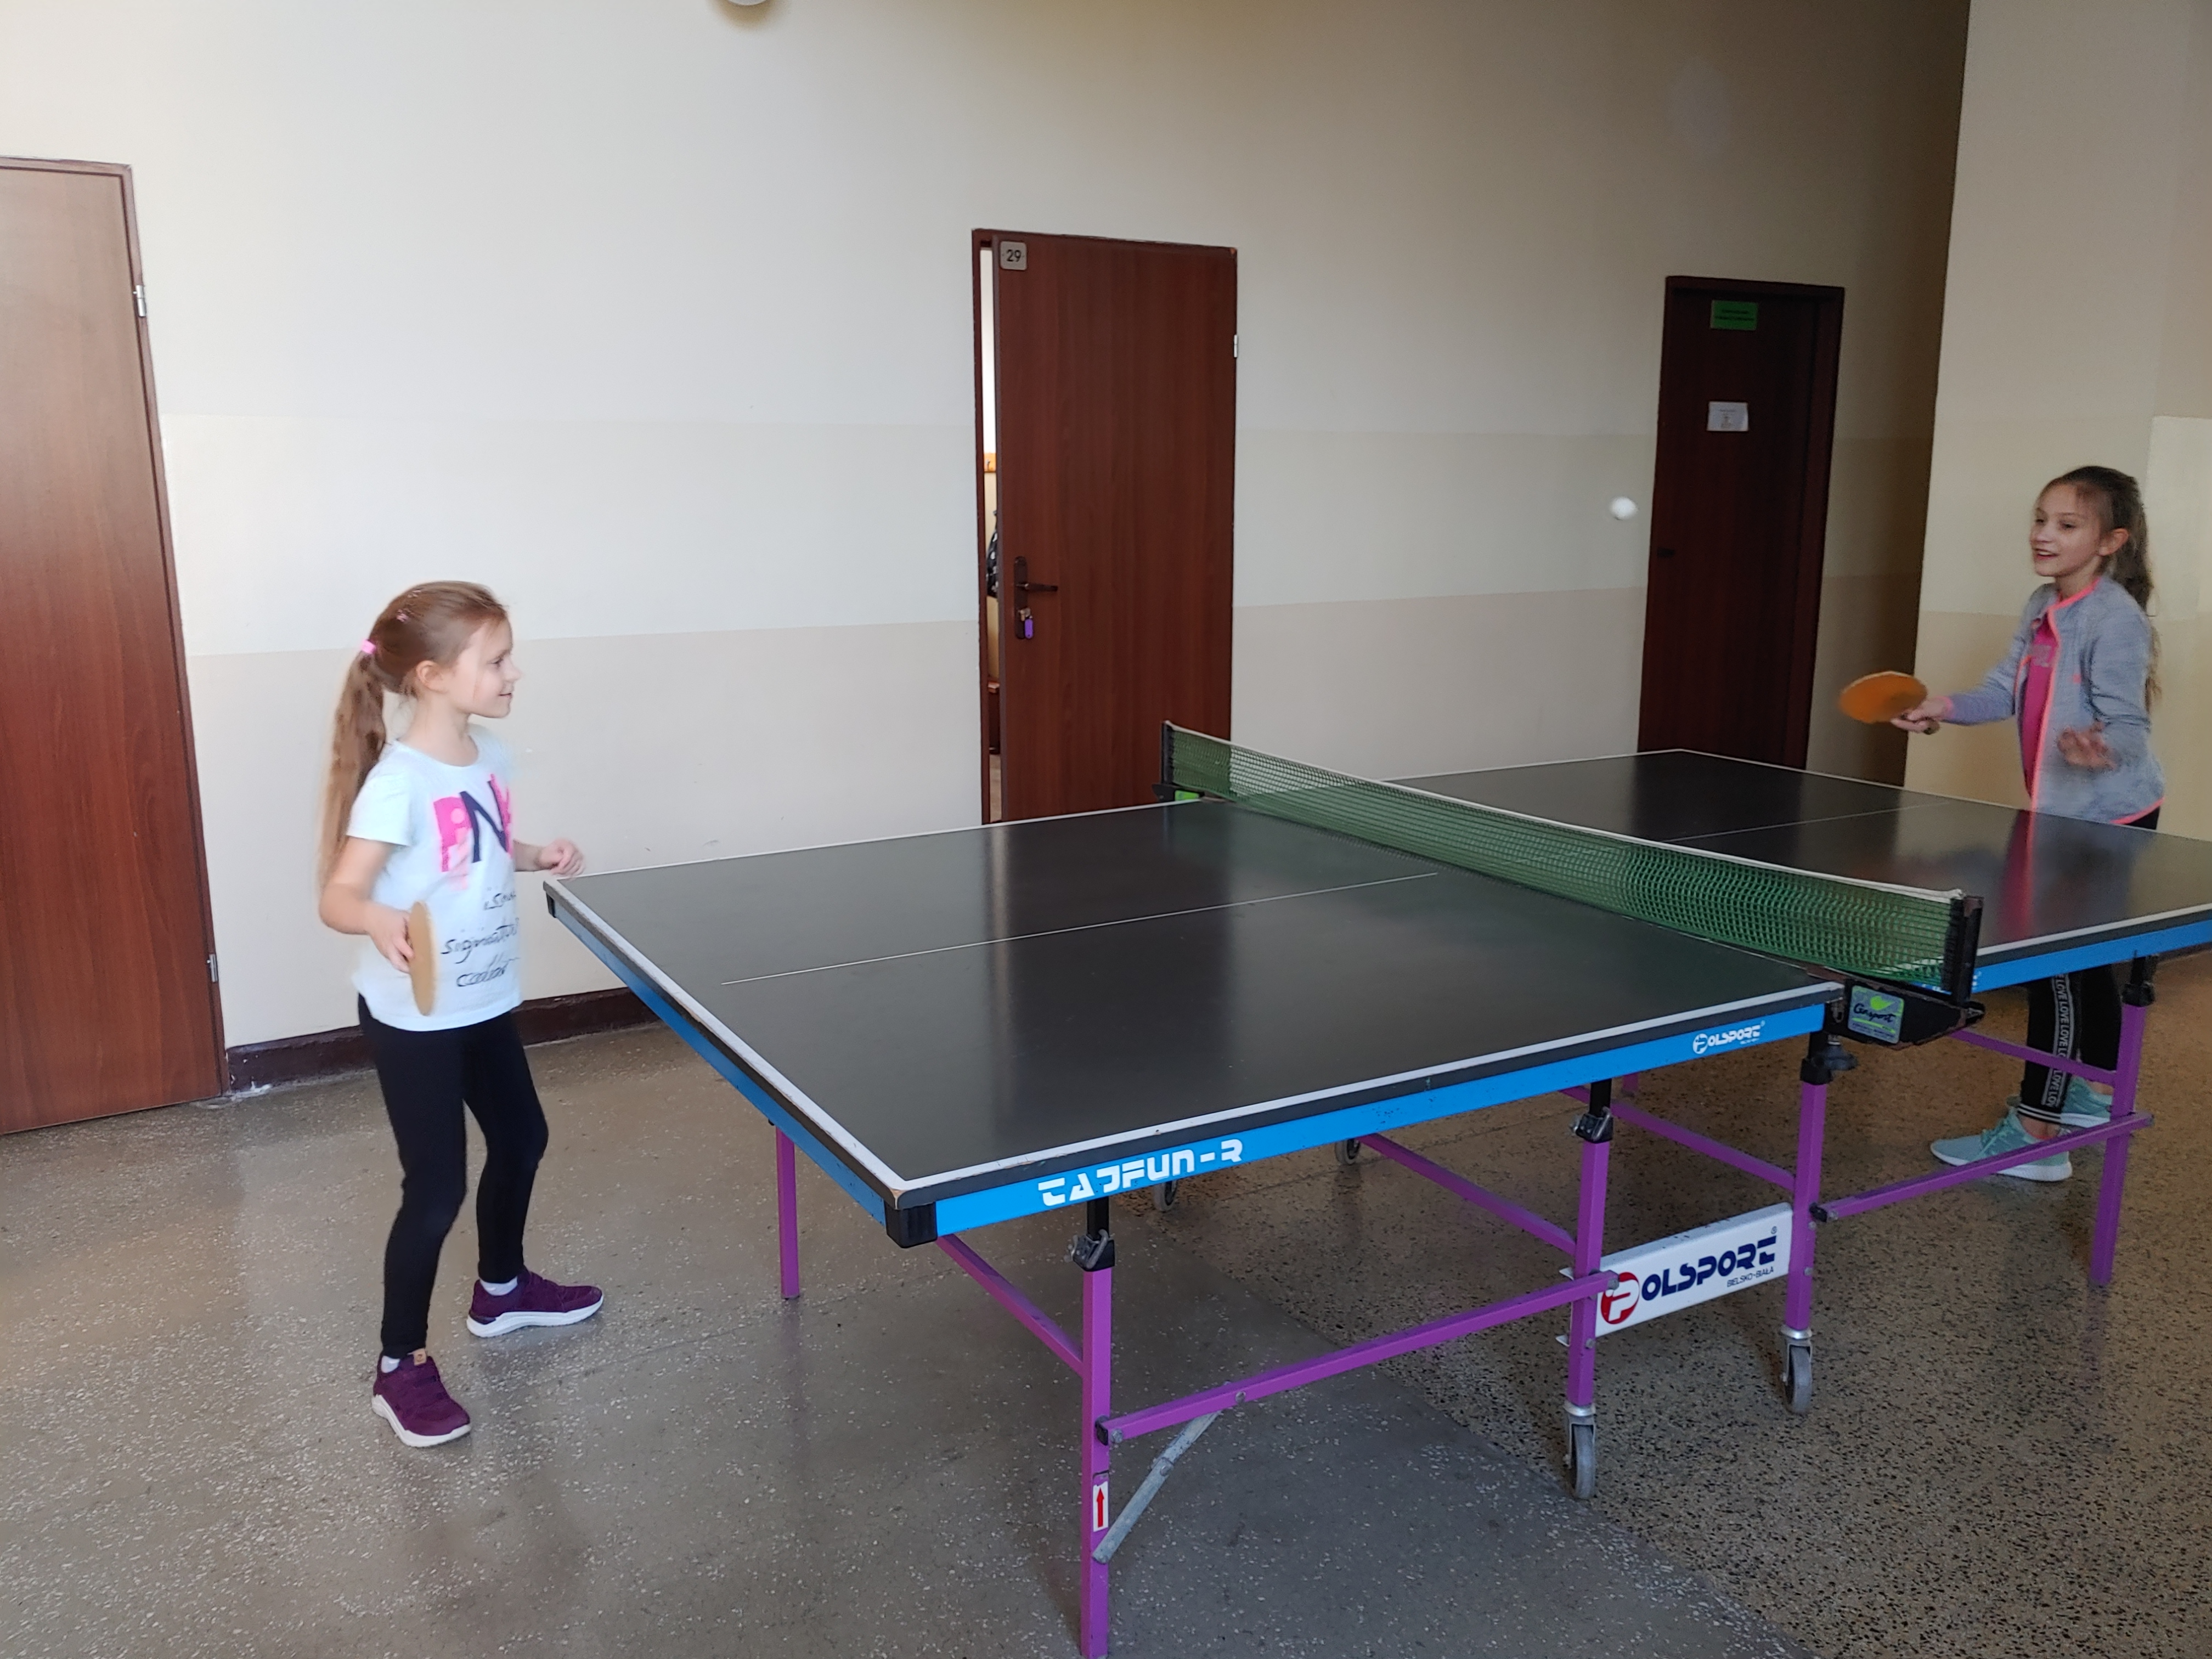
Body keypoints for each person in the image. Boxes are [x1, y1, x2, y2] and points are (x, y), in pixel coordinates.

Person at [317, 582, 602, 1447]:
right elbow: (339, 896)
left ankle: (501, 1292)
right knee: (436, 1188)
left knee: (522, 1138)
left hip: (483, 997)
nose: (515, 673)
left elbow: (476, 840)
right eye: (497, 660)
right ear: (433, 676)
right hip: (415, 1018)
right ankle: (398, 1364)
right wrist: (378, 920)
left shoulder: (489, 756)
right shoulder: (396, 783)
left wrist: (534, 853)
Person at [1892, 466, 2163, 1182]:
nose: (2044, 535)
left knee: (2056, 966)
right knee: (2082, 960)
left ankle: (2037, 1134)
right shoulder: (2043, 603)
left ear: (2110, 542)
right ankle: (2084, 1092)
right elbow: (2001, 691)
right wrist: (1943, 708)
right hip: (2063, 813)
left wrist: (2099, 748)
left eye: (2067, 525)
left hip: (2104, 819)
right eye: (2041, 519)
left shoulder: (2114, 617)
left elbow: (2130, 726)